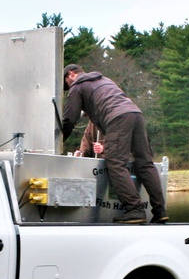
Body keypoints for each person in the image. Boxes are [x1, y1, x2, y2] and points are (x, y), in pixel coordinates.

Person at [61, 64, 168, 223]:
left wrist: (59, 140)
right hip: (136, 114)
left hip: (117, 117)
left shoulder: (78, 85)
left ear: (70, 74)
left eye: (66, 83)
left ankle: (134, 210)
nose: (68, 87)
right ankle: (160, 211)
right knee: (145, 162)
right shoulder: (104, 80)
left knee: (116, 162)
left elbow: (70, 118)